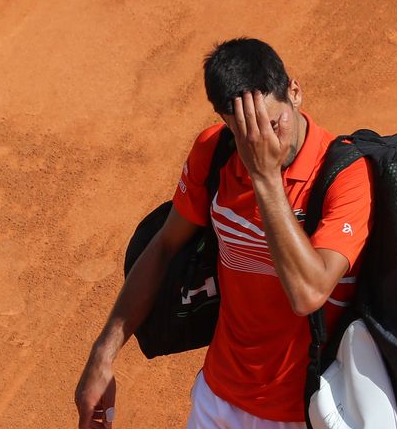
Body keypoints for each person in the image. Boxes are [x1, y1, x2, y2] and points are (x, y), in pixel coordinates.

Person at [75, 37, 373, 429]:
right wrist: (103, 354)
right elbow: (164, 247)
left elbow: (308, 294)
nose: (264, 142)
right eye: (245, 133)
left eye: (272, 123)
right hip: (217, 401)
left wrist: (265, 176)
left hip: (305, 414)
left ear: (295, 92)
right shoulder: (214, 153)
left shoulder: (347, 176)